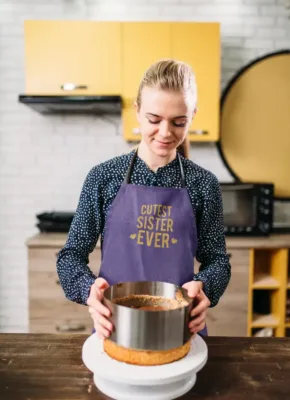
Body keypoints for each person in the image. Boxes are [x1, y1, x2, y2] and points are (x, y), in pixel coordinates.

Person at [56, 59, 231, 339]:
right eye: (154, 119)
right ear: (137, 111)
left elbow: (217, 261)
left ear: (192, 116)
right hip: (115, 329)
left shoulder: (203, 184)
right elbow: (70, 257)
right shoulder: (104, 177)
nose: (165, 132)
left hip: (179, 330)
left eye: (178, 122)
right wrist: (89, 290)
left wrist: (206, 288)